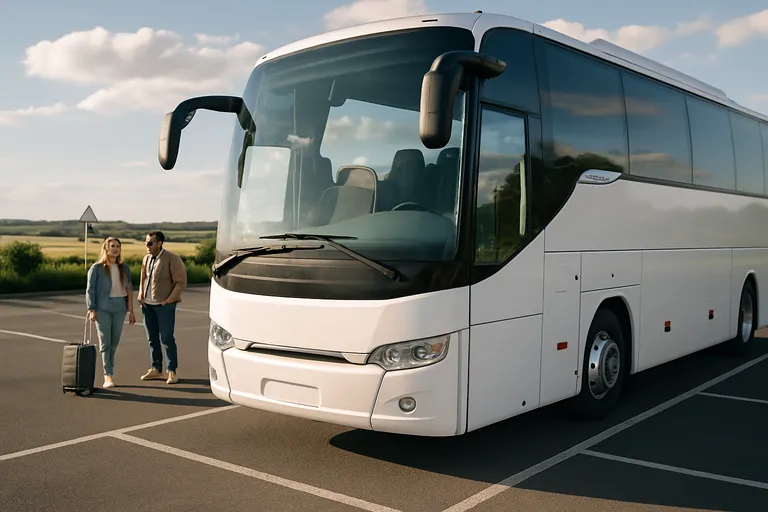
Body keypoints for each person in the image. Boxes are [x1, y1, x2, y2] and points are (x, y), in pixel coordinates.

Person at [86, 237, 136, 388]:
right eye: (112, 246)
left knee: (114, 342)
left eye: (117, 246)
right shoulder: (97, 268)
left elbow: (128, 289)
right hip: (103, 308)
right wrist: (92, 309)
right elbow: (90, 290)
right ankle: (108, 375)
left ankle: (109, 370)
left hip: (119, 307)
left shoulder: (124, 268)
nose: (115, 249)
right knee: (105, 343)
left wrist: (131, 311)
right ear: (106, 249)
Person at [138, 230, 187, 384]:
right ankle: (156, 369)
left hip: (164, 306)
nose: (147, 245)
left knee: (166, 338)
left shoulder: (172, 259)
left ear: (159, 243)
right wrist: (140, 295)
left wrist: (168, 300)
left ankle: (171, 371)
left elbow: (181, 282)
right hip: (148, 306)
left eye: (150, 243)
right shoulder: (146, 259)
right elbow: (143, 278)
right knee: (152, 338)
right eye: (146, 242)